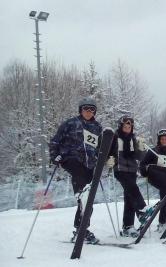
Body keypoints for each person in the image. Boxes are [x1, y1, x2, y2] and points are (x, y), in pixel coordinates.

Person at [49, 97, 102, 244]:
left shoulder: (97, 127)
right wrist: (55, 155)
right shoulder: (71, 123)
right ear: (81, 110)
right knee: (83, 189)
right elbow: (55, 140)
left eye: (92, 109)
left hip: (90, 164)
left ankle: (81, 229)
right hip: (71, 159)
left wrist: (103, 158)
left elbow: (100, 147)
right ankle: (82, 194)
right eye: (86, 109)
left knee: (87, 199)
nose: (88, 112)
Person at [106, 115, 149, 237]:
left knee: (129, 197)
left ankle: (128, 226)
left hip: (132, 170)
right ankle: (142, 210)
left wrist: (141, 148)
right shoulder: (114, 138)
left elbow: (139, 157)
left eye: (129, 126)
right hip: (119, 169)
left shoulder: (133, 139)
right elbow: (107, 151)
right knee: (132, 189)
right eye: (125, 126)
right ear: (120, 126)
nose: (127, 128)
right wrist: (108, 160)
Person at [139, 129, 166, 232]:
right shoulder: (153, 151)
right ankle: (163, 221)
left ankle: (163, 222)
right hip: (154, 175)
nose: (164, 141)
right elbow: (143, 163)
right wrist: (144, 172)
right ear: (159, 140)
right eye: (162, 139)